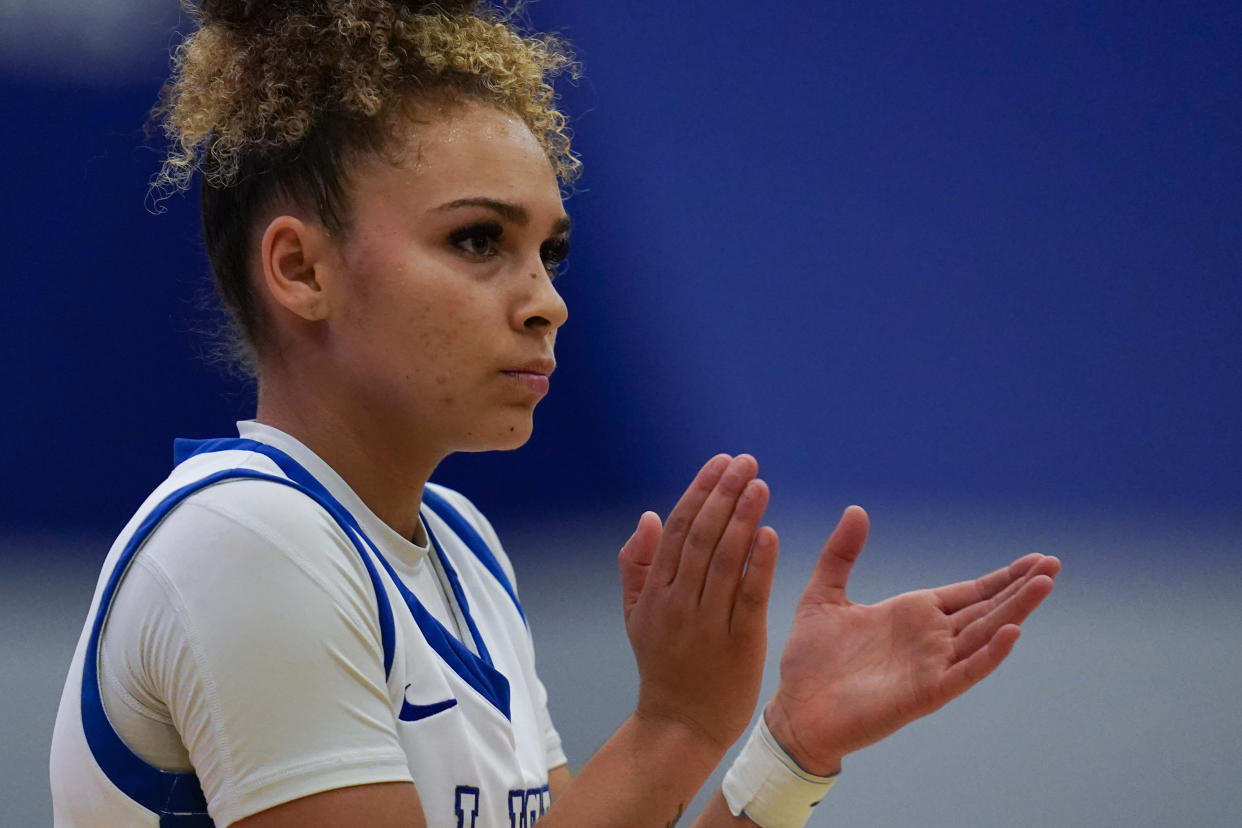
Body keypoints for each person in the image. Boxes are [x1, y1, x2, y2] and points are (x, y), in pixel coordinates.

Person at [50, 1, 1061, 826]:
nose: (546, 299)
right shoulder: (247, 540)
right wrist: (675, 723)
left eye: (551, 252)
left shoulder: (462, 550)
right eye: (480, 240)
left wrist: (788, 748)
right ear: (300, 269)